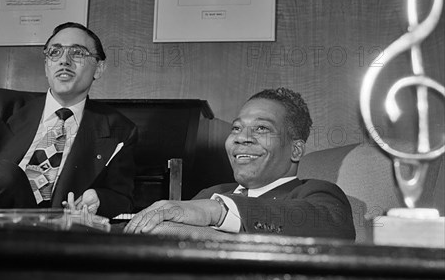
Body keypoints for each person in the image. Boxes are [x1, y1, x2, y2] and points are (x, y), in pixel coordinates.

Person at [0, 22, 137, 219]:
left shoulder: (119, 130)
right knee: (8, 175)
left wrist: (99, 198)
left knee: (9, 175)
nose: (64, 60)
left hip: (48, 232)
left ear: (98, 68)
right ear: (46, 65)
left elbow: (122, 198)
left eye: (78, 53)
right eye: (55, 52)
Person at [125, 88, 356, 240]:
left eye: (261, 128)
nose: (241, 137)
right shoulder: (211, 192)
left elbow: (333, 227)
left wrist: (218, 210)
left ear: (295, 150)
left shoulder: (316, 193)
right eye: (236, 128)